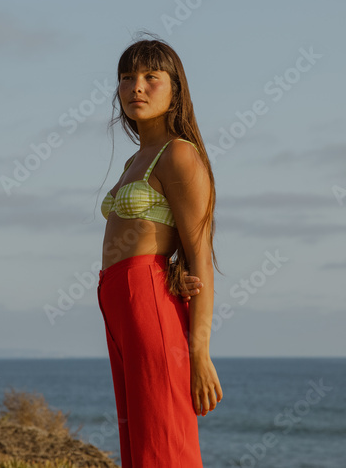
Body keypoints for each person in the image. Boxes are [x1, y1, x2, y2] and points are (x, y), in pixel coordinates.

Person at [97, 34, 223, 467]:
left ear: (175, 90)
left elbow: (200, 255)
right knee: (137, 444)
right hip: (120, 304)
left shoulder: (179, 155)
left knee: (163, 441)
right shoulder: (137, 158)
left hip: (147, 299)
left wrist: (200, 352)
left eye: (152, 77)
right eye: (127, 77)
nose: (137, 87)